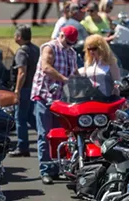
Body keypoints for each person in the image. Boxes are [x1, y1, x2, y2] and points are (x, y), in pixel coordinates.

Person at [32, 25, 78, 184]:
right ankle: (45, 170)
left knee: (60, 134)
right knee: (44, 134)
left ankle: (59, 168)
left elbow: (76, 73)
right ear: (62, 36)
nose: (70, 46)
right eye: (68, 42)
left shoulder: (72, 53)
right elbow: (46, 67)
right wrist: (64, 79)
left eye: (73, 43)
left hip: (61, 100)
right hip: (45, 97)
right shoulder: (50, 47)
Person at [10, 25, 40, 158]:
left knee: (19, 118)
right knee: (29, 116)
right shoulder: (35, 49)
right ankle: (45, 135)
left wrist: (17, 90)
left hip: (25, 89)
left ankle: (22, 147)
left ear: (19, 37)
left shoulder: (21, 52)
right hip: (34, 88)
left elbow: (21, 73)